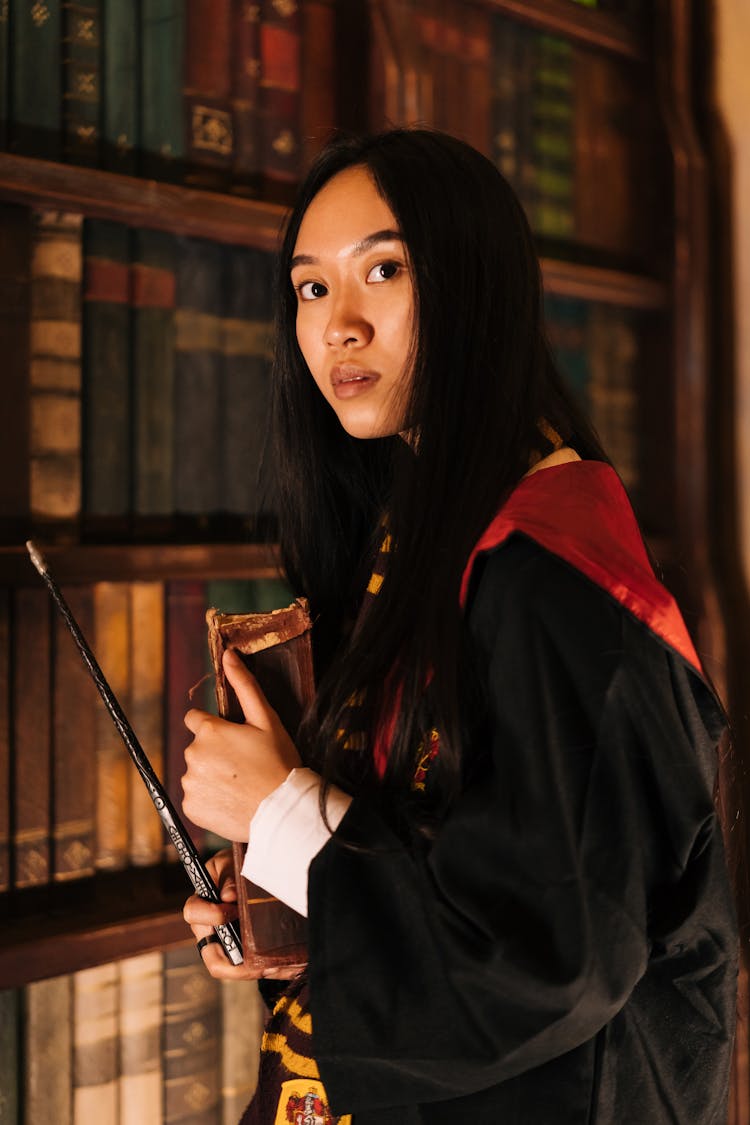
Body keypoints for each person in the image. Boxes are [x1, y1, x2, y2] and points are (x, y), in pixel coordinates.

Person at [181, 128, 738, 1124]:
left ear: (472, 286)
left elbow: (549, 958)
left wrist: (282, 819)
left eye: (382, 271)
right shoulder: (415, 540)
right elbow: (425, 841)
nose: (337, 326)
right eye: (310, 288)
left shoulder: (554, 579)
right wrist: (281, 894)